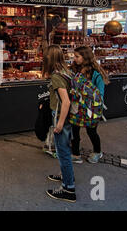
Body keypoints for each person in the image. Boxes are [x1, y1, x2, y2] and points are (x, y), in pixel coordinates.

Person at [43, 45, 76, 203]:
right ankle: (66, 175)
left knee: (62, 152)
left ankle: (68, 188)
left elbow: (66, 102)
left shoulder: (57, 76)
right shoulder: (66, 71)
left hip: (61, 116)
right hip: (66, 116)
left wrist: (60, 124)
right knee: (65, 149)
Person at [70, 46, 110, 164]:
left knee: (91, 131)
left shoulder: (96, 73)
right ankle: (75, 153)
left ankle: (97, 152)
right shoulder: (74, 69)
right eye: (74, 56)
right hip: (76, 106)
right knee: (74, 130)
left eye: (77, 56)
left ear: (85, 57)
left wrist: (95, 103)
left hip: (90, 108)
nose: (74, 58)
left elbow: (100, 92)